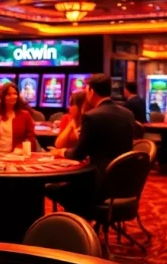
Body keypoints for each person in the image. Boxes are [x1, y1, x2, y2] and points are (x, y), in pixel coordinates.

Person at [49, 74, 136, 218]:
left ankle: (77, 227)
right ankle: (82, 226)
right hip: (126, 182)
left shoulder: (92, 116)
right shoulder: (128, 114)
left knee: (52, 188)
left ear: (91, 91)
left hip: (100, 185)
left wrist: (61, 152)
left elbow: (78, 154)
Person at [0, 83, 36, 153]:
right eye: (8, 94)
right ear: (2, 97)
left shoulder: (25, 115)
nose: (13, 97)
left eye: (15, 94)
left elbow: (31, 137)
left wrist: (21, 147)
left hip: (16, 156)